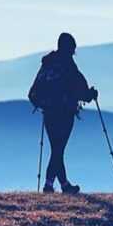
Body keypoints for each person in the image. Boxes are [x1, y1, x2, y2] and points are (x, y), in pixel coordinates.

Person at [34, 33, 98, 194]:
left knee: (57, 148)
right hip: (65, 112)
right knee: (58, 149)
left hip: (48, 112)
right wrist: (91, 95)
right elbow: (81, 90)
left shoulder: (47, 63)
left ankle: (64, 184)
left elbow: (36, 88)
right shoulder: (68, 65)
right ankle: (49, 185)